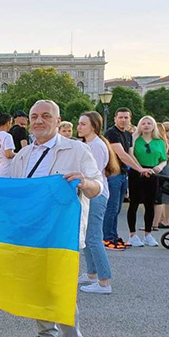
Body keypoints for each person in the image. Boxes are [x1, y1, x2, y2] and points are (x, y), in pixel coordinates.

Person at [1, 100, 102, 337]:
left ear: (58, 121)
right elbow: (11, 190)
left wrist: (84, 181)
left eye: (46, 116)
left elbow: (97, 187)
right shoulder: (23, 156)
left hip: (62, 234)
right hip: (31, 232)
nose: (39, 120)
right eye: (34, 116)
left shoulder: (77, 150)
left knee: (60, 288)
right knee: (37, 286)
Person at [76, 112, 120, 294]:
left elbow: (92, 173)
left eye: (82, 124)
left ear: (92, 126)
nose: (78, 127)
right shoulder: (90, 144)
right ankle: (92, 273)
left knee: (93, 237)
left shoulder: (96, 146)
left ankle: (104, 281)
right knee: (87, 235)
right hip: (90, 194)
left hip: (96, 194)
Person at [103, 108, 151, 250]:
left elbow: (130, 155)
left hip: (123, 174)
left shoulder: (128, 135)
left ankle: (113, 235)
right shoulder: (111, 133)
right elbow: (122, 154)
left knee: (117, 208)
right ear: (115, 118)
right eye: (121, 117)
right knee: (111, 208)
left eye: (126, 118)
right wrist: (139, 169)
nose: (123, 120)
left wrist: (141, 168)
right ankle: (107, 238)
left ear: (130, 119)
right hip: (113, 174)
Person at [126, 115, 167, 247]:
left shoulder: (159, 142)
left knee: (150, 204)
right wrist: (140, 168)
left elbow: (164, 159)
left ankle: (148, 234)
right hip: (136, 172)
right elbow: (130, 154)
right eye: (143, 123)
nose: (146, 125)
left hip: (152, 173)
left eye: (149, 123)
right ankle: (132, 234)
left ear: (154, 125)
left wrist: (159, 167)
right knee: (134, 204)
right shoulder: (134, 140)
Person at [152, 122, 169, 231]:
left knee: (167, 197)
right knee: (159, 196)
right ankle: (160, 218)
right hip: (159, 169)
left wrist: (160, 152)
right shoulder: (162, 141)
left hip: (166, 170)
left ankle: (167, 220)